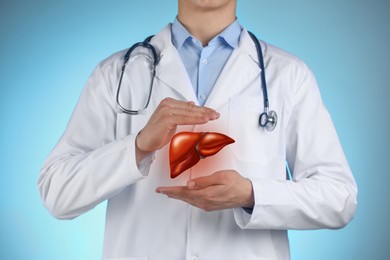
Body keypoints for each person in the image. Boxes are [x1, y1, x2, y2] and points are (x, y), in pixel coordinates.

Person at [38, 0, 357, 259]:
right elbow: (57, 193)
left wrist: (251, 194)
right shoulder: (117, 74)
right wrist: (137, 147)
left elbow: (339, 198)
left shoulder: (288, 75)